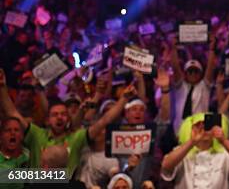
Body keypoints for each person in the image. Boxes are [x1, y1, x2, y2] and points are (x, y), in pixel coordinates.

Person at [0, 68, 135, 178]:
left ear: (69, 119)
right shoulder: (36, 134)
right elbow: (13, 113)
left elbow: (105, 121)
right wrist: (2, 87)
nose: (59, 118)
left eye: (63, 114)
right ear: (47, 120)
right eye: (55, 115)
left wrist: (124, 98)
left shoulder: (76, 138)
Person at [160, 116, 229, 189]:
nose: (203, 128)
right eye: (198, 124)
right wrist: (192, 142)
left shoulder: (225, 153)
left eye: (207, 124)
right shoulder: (182, 152)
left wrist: (223, 140)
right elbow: (166, 166)